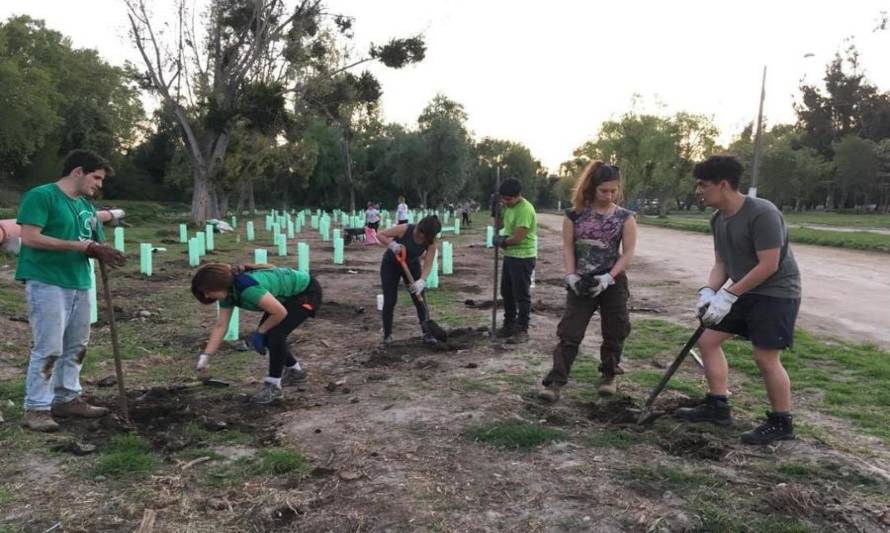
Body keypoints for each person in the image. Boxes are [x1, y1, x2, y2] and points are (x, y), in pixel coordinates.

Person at [676, 155, 802, 445]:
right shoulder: (718, 218)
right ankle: (718, 407)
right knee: (708, 341)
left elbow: (768, 264)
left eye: (703, 185)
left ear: (723, 185)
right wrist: (709, 292)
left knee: (765, 357)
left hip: (776, 292)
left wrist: (729, 295)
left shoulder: (763, 213)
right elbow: (721, 263)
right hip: (743, 291)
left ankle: (782, 422)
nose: (698, 191)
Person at [16, 149, 126, 432]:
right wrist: (79, 246)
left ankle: (67, 397)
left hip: (80, 281)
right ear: (78, 171)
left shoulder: (87, 207)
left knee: (77, 344)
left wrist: (102, 251)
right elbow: (29, 237)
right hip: (47, 280)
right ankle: (37, 407)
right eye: (96, 177)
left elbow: (91, 242)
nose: (99, 184)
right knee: (49, 345)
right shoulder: (42, 196)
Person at [539, 162, 636, 402]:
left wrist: (609, 277)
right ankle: (555, 382)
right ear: (592, 187)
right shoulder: (575, 216)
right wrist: (570, 275)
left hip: (611, 282)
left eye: (613, 191)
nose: (609, 195)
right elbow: (568, 246)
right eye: (604, 190)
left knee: (615, 330)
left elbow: (627, 252)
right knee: (570, 332)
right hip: (581, 281)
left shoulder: (625, 217)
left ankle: (609, 375)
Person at [191, 263, 322, 404]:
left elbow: (280, 312)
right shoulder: (228, 294)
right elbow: (221, 325)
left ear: (218, 285)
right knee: (269, 335)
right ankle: (296, 372)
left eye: (207, 290)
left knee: (275, 334)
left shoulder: (247, 288)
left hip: (306, 292)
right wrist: (206, 355)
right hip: (286, 297)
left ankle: (274, 385)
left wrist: (260, 331)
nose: (206, 295)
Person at [376, 215, 442, 346]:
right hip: (391, 265)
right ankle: (387, 335)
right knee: (390, 300)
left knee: (419, 299)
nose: (420, 236)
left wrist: (422, 281)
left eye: (424, 235)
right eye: (419, 232)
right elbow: (380, 235)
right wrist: (392, 244)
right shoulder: (404, 229)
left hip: (411, 265)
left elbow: (428, 264)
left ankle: (427, 333)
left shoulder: (431, 243)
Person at [493, 178, 537, 343]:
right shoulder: (507, 206)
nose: (505, 201)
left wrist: (502, 241)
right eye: (503, 198)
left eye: (508, 199)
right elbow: (498, 225)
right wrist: (495, 212)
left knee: (521, 295)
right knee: (506, 292)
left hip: (523, 257)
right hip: (510, 256)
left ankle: (522, 329)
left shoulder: (525, 209)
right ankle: (509, 324)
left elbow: (518, 237)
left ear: (518, 195)